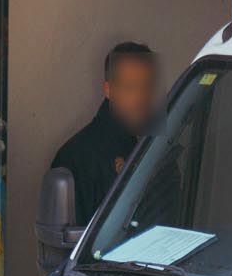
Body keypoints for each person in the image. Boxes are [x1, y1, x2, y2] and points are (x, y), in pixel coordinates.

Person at [50, 41, 158, 224]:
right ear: (108, 90)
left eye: (147, 87)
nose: (141, 98)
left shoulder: (156, 148)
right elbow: (70, 246)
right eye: (130, 87)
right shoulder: (77, 158)